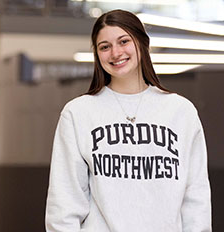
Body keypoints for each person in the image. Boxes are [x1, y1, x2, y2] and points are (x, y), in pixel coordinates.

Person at [45, 9, 211, 232]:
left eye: (123, 41)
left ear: (142, 43)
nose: (115, 53)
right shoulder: (78, 113)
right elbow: (64, 201)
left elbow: (196, 197)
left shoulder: (181, 111)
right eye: (105, 46)